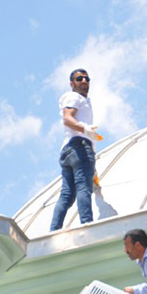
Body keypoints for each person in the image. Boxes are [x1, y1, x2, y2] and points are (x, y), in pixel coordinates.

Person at [50, 68, 101, 231]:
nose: (84, 81)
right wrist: (84, 129)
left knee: (67, 194)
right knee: (83, 187)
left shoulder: (83, 100)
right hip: (79, 146)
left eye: (87, 79)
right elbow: (68, 119)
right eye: (79, 79)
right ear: (72, 83)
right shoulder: (75, 97)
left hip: (70, 150)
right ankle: (87, 225)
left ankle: (54, 230)